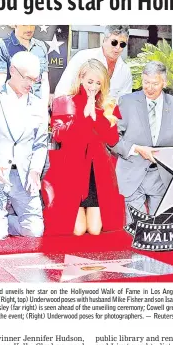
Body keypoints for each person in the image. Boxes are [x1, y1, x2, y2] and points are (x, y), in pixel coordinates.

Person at [0, 51, 47, 240]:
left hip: (24, 178)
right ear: (12, 70)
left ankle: (3, 221)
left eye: (35, 79)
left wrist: (35, 170)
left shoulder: (38, 105)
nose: (30, 83)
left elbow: (40, 145)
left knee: (35, 231)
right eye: (27, 78)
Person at [43, 59, 125, 236]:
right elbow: (59, 135)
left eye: (98, 83)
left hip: (97, 171)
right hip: (71, 170)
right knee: (78, 230)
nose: (93, 87)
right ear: (81, 78)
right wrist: (83, 116)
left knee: (95, 230)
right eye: (90, 82)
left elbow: (112, 139)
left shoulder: (108, 106)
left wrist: (97, 116)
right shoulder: (64, 102)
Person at [111, 61, 173, 223]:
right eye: (145, 82)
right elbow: (112, 138)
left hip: (162, 177)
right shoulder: (125, 102)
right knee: (138, 231)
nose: (149, 88)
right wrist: (135, 149)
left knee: (160, 230)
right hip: (131, 173)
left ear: (165, 82)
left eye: (154, 83)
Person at [54, 25, 132, 101]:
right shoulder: (83, 57)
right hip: (76, 110)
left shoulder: (125, 71)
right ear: (104, 40)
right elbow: (62, 91)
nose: (118, 47)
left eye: (122, 44)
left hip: (108, 113)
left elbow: (125, 104)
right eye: (114, 42)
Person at [0, 25, 50, 106]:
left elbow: (44, 81)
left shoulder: (40, 47)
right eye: (25, 24)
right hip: (12, 106)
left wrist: (43, 107)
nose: (29, 28)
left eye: (32, 24)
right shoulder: (1, 47)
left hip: (36, 107)